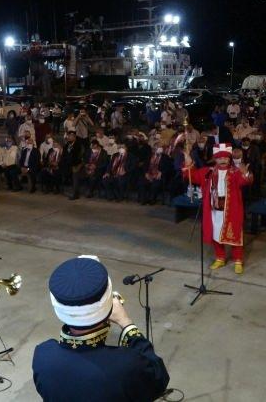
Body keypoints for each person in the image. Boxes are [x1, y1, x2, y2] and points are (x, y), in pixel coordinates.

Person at [32, 256, 169, 402]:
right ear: (108, 305)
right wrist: (126, 324)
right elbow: (159, 379)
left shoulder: (42, 355)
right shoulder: (127, 365)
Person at [183, 143, 253, 274]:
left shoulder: (235, 172)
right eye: (219, 158)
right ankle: (220, 258)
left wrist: (246, 173)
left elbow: (245, 181)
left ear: (229, 159)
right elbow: (192, 176)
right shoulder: (208, 172)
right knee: (216, 235)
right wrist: (188, 163)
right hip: (214, 211)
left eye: (225, 158)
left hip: (231, 210)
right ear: (215, 159)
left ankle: (238, 260)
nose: (222, 160)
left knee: (235, 235)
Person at [62, 131, 85, 200]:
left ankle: (75, 194)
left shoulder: (79, 145)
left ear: (74, 137)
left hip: (76, 165)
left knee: (75, 178)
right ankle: (67, 191)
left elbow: (80, 156)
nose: (69, 137)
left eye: (71, 136)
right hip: (68, 165)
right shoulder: (66, 145)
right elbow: (64, 155)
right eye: (68, 136)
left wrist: (76, 164)